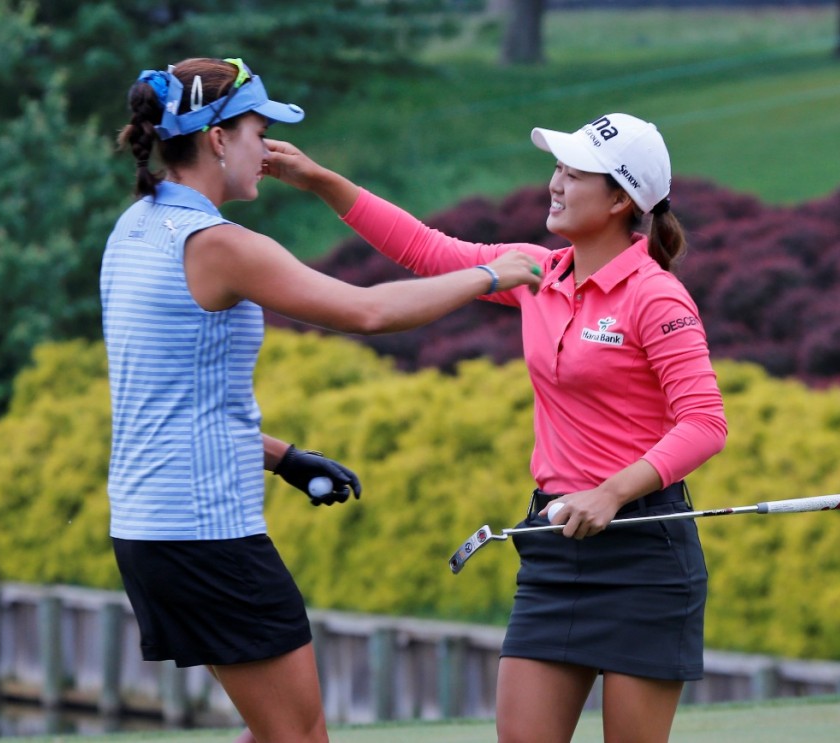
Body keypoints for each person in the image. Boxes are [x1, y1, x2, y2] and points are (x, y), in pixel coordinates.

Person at [100, 57, 541, 743]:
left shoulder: (133, 228)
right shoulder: (218, 245)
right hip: (205, 535)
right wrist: (489, 274)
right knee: (301, 735)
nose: (267, 148)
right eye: (256, 129)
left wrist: (282, 458)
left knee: (274, 730)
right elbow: (367, 311)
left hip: (148, 527)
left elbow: (168, 401)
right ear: (217, 139)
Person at [263, 113, 728, 743]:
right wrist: (319, 181)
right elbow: (424, 249)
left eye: (574, 173)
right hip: (553, 545)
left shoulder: (656, 296)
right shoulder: (539, 272)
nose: (554, 184)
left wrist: (613, 491)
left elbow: (704, 422)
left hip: (645, 552)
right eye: (557, 169)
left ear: (621, 199)